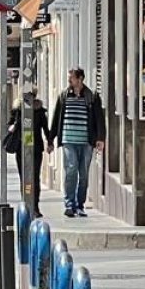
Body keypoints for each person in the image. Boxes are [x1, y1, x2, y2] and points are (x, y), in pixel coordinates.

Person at [49, 68, 106, 218]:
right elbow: (56, 119)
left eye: (72, 78)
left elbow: (99, 118)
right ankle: (69, 204)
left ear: (80, 79)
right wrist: (50, 140)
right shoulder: (64, 96)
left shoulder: (92, 96)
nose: (69, 81)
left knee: (84, 174)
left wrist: (100, 138)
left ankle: (80, 205)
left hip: (86, 142)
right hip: (68, 141)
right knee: (71, 170)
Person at [1, 86, 51, 218]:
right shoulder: (18, 110)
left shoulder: (39, 111)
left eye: (30, 96)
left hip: (34, 149)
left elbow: (45, 128)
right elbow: (10, 126)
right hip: (21, 148)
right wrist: (16, 123)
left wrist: (50, 142)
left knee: (33, 177)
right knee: (25, 178)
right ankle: (26, 204)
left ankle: (34, 205)